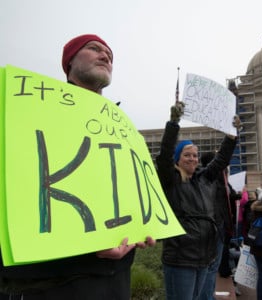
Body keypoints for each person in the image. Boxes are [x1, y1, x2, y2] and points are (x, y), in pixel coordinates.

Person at [0, 34, 156, 299]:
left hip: (116, 278)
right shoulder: (27, 112)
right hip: (52, 284)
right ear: (69, 61)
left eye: (109, 54)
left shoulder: (122, 129)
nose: (105, 55)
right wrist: (84, 243)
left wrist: (137, 229)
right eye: (94, 49)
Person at [156, 101, 240, 300]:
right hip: (181, 260)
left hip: (205, 258)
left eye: (195, 155)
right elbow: (164, 155)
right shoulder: (172, 180)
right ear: (178, 159)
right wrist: (174, 123)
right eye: (187, 155)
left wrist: (231, 135)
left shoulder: (204, 178)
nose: (193, 159)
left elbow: (221, 161)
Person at [199, 152, 234, 300]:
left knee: (213, 268)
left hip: (220, 226)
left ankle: (208, 295)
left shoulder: (220, 180)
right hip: (214, 226)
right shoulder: (208, 179)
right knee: (210, 268)